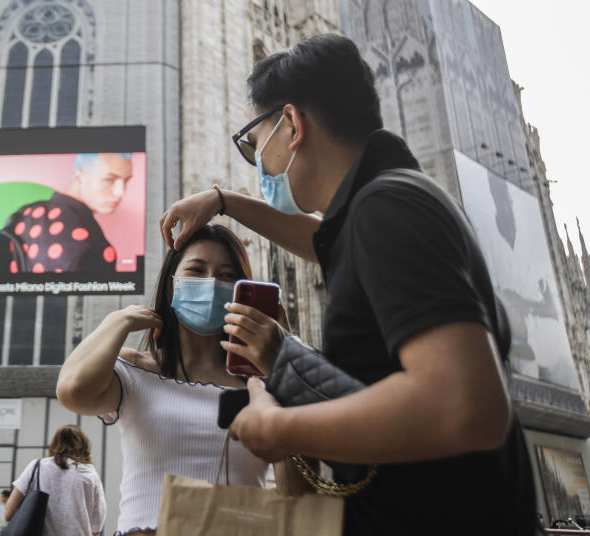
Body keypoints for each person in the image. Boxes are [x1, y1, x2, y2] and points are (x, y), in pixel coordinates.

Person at [159, 34, 540, 535]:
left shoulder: (387, 208)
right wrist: (223, 202)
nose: (262, 171)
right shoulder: (386, 202)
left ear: (292, 125)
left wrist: (280, 426)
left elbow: (468, 406)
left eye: (256, 149)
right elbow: (326, 242)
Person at [56, 224, 302, 536]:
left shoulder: (261, 387)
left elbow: (296, 494)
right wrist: (119, 320)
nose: (211, 283)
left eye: (227, 275)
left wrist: (286, 364)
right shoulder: (137, 371)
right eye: (196, 270)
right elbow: (73, 391)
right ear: (172, 283)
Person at [0, 153, 132, 275]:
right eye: (110, 180)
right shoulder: (86, 240)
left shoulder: (30, 209)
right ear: (79, 176)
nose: (120, 192)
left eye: (126, 181)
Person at [4, 426, 106, 536]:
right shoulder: (90, 474)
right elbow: (97, 524)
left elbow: (8, 513)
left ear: (55, 444)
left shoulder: (37, 466)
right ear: (83, 446)